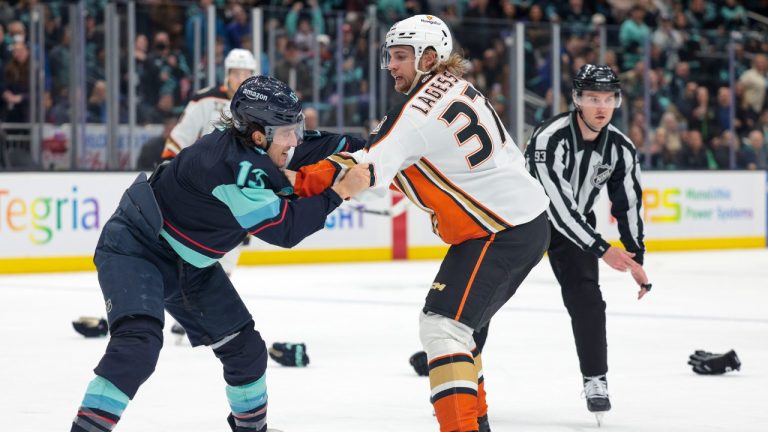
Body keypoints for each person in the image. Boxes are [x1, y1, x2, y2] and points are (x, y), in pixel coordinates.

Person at [287, 15, 551, 432]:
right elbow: (403, 156)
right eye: (390, 56)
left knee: (442, 326)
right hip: (518, 221)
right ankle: (474, 422)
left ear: (430, 57)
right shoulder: (458, 87)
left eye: (400, 56)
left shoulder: (414, 113)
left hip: (501, 229)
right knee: (460, 329)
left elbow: (364, 176)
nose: (391, 65)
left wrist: (294, 183)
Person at [69, 75, 371, 432]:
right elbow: (286, 230)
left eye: (296, 126)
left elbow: (322, 146)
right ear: (259, 134)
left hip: (190, 264)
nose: (296, 139)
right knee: (138, 346)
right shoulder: (231, 168)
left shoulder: (261, 145)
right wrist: (340, 192)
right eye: (289, 131)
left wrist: (378, 146)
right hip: (136, 248)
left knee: (247, 352)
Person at [524, 64, 651, 423]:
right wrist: (602, 249)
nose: (602, 106)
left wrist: (635, 257)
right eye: (593, 98)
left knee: (589, 302)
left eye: (609, 98)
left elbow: (628, 203)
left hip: (576, 230)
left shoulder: (621, 149)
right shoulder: (550, 137)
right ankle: (457, 358)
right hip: (523, 224)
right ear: (577, 100)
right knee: (489, 297)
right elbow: (557, 207)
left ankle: (596, 379)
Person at [161, 47, 258, 276]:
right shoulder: (206, 100)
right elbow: (178, 139)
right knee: (191, 255)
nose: (240, 79)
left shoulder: (260, 108)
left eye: (246, 74)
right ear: (226, 74)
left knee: (226, 264)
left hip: (237, 193)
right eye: (236, 73)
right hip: (201, 187)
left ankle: (212, 303)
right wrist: (167, 179)